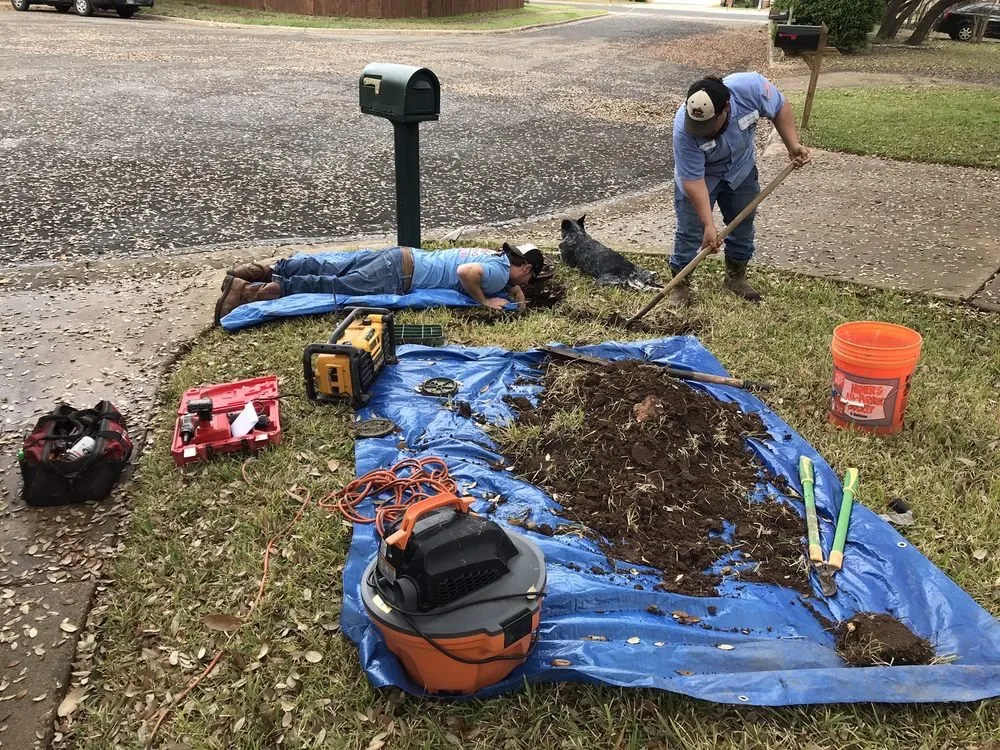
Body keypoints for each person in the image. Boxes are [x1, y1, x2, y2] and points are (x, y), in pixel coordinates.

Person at [668, 73, 810, 309]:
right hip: (703, 177)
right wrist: (708, 225)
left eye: (707, 126)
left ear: (726, 108)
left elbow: (780, 105)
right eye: (697, 126)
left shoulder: (750, 88)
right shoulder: (683, 129)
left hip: (740, 170)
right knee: (689, 231)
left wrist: (792, 144)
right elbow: (693, 179)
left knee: (742, 223)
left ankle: (736, 276)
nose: (701, 131)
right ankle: (680, 284)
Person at [214, 244, 545, 325]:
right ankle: (247, 293)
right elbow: (466, 274)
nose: (527, 285)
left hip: (400, 256)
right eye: (530, 279)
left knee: (331, 264)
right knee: (333, 286)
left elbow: (485, 270)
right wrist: (485, 302)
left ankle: (253, 272)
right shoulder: (500, 274)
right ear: (526, 266)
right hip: (400, 277)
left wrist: (513, 289)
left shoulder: (497, 258)